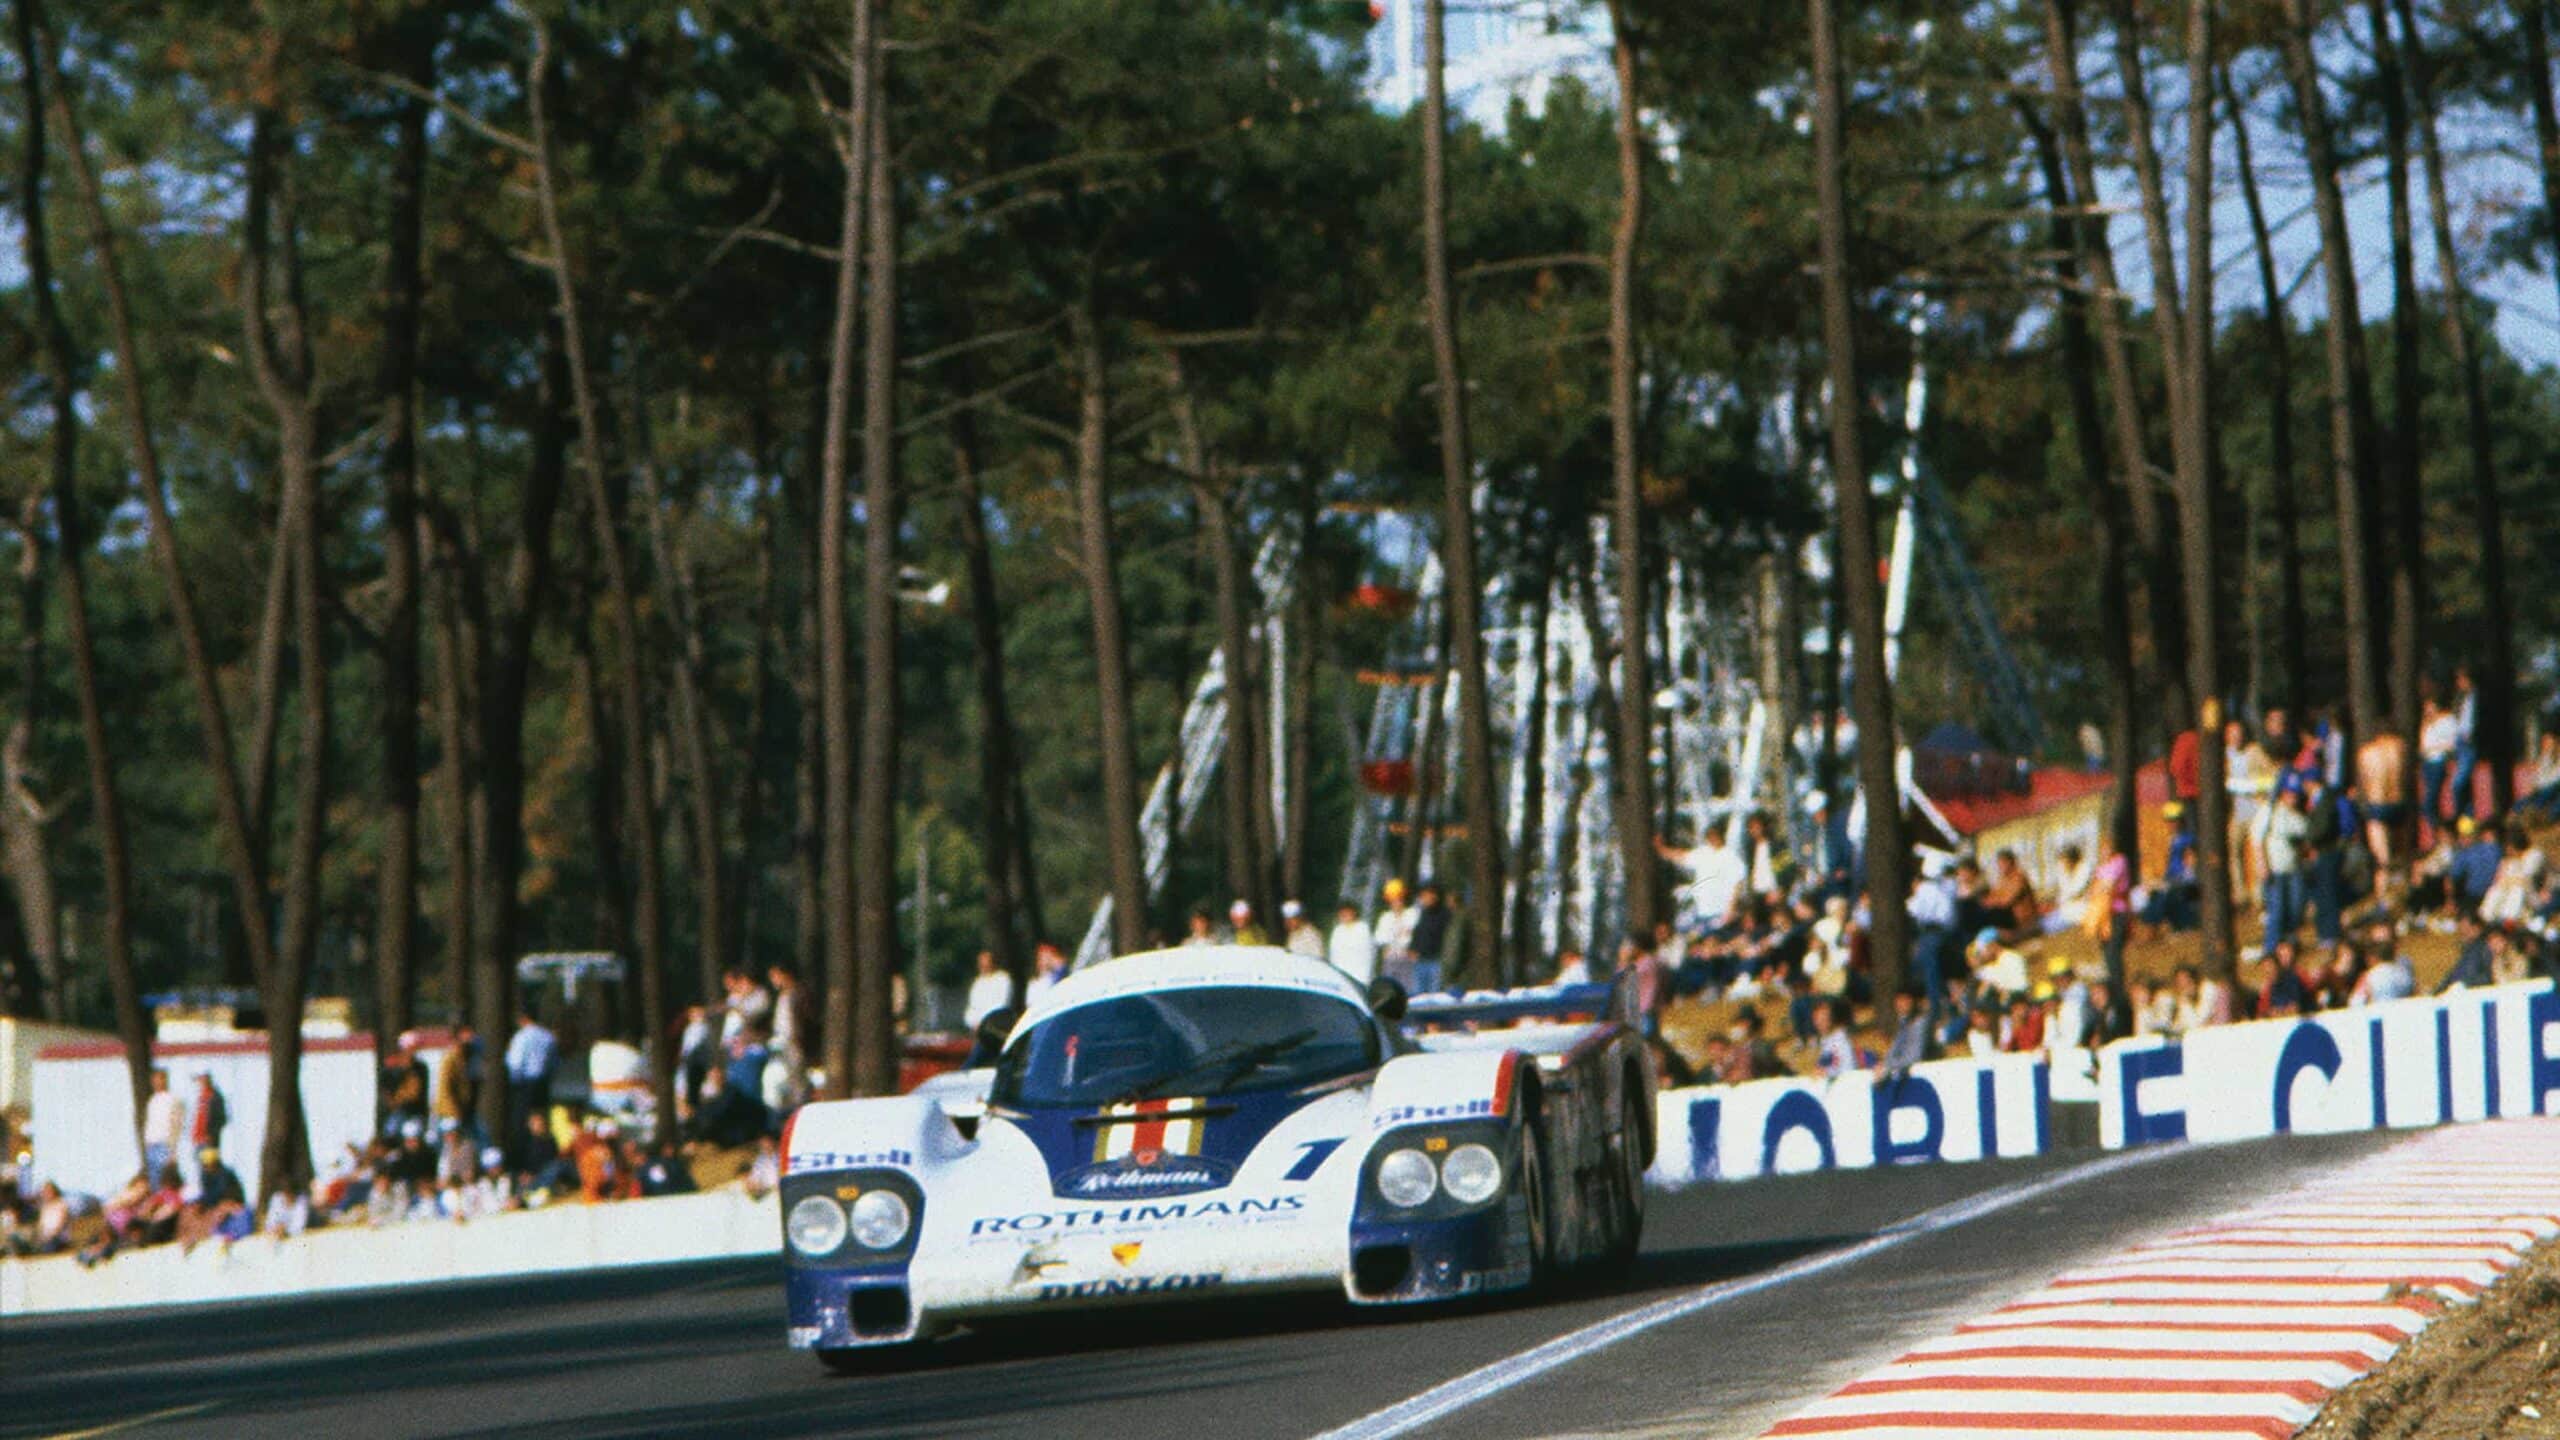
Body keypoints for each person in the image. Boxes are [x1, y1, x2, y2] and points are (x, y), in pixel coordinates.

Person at [1657, 828, 1747, 935]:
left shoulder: (1731, 856)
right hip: (1702, 911)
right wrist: (1661, 849)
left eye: (1715, 835)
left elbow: (1738, 884)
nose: (1712, 839)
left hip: (1721, 912)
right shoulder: (1703, 853)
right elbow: (1681, 856)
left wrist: (1731, 909)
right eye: (1709, 836)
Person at [2257, 784, 2310, 955]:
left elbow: (2305, 833)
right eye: (2290, 794)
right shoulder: (2269, 812)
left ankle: (2289, 946)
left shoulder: (2296, 815)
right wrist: (2262, 863)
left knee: (2295, 907)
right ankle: (2271, 949)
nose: (2293, 798)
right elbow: (2256, 839)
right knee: (2277, 911)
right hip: (2275, 870)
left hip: (2294, 869)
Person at [503, 1011, 557, 1161]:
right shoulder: (548, 1037)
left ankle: (525, 1159)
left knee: (522, 1124)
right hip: (543, 1083)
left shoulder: (521, 1037)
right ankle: (544, 1155)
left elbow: (515, 1064)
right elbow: (554, 1063)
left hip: (524, 1084)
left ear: (523, 1018)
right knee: (542, 1122)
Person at [2352, 920, 2416, 1005]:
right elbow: (2356, 1004)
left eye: (2387, 943)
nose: (2383, 949)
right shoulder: (2361, 969)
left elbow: (2414, 993)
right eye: (2377, 944)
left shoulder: (2405, 964)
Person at [1712, 1010, 1784, 1084]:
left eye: (1741, 1024)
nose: (1737, 1028)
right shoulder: (1735, 1049)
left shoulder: (1763, 1046)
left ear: (1749, 1024)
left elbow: (1769, 1069)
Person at [1373, 880, 1419, 989]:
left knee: (1409, 988)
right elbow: (1379, 938)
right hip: (1391, 958)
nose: (1396, 902)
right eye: (1393, 900)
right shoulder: (1385, 917)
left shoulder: (1412, 914)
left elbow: (1414, 934)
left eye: (1399, 899)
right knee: (1390, 987)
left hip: (1407, 957)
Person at [2042, 844, 2093, 937]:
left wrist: (2062, 899)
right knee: (2040, 921)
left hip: (2078, 911)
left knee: (2045, 926)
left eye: (2064, 860)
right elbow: (2059, 890)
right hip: (2064, 910)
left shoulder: (2084, 871)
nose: (2062, 863)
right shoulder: (2064, 871)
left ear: (2071, 860)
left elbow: (2077, 893)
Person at [1408, 884, 1451, 994]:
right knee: (1418, 993)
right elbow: (1418, 932)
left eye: (1426, 896)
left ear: (1434, 896)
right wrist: (1412, 948)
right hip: (1421, 960)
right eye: (1422, 896)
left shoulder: (1444, 914)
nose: (1424, 899)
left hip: (1436, 960)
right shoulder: (1424, 913)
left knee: (1434, 992)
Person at [1880, 987, 1931, 1078]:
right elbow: (1893, 1051)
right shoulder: (1903, 1025)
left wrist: (1889, 1065)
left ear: (1912, 1002)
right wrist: (1885, 1064)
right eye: (1898, 1000)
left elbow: (1913, 1058)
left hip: (1922, 1073)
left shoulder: (1918, 1024)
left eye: (1904, 1000)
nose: (1899, 1004)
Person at [141, 1069, 182, 1180]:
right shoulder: (153, 1100)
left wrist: (173, 1148)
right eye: (154, 1080)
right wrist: (147, 1141)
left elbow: (176, 1124)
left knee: (165, 1177)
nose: (156, 1083)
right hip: (152, 1144)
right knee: (153, 1177)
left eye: (159, 1079)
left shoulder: (173, 1099)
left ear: (165, 1080)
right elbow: (150, 1122)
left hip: (164, 1143)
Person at [1326, 903, 1376, 985]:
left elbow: (1369, 955)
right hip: (1341, 974)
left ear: (1354, 913)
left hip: (1360, 974)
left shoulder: (1363, 929)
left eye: (1347, 912)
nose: (1344, 915)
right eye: (1342, 913)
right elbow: (1333, 954)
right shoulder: (1337, 931)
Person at [963, 949, 1014, 1029]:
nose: (983, 966)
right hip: (978, 1029)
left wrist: (985, 1023)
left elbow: (1001, 1005)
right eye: (981, 963)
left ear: (992, 963)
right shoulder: (978, 983)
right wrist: (973, 1023)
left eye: (985, 963)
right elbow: (972, 1008)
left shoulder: (1002, 979)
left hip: (996, 1027)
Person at [188, 1073, 229, 1169]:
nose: (202, 1082)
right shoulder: (198, 1096)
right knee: (199, 1169)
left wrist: (211, 1134)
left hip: (208, 1141)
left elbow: (222, 1119)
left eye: (204, 1078)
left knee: (208, 1168)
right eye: (200, 1079)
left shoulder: (216, 1097)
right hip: (197, 1139)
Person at [1810, 999, 1857, 1078]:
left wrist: (1826, 1073)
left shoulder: (1840, 1042)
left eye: (1822, 1019)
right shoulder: (1825, 1040)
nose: (1817, 1023)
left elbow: (1847, 1069)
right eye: (1816, 1019)